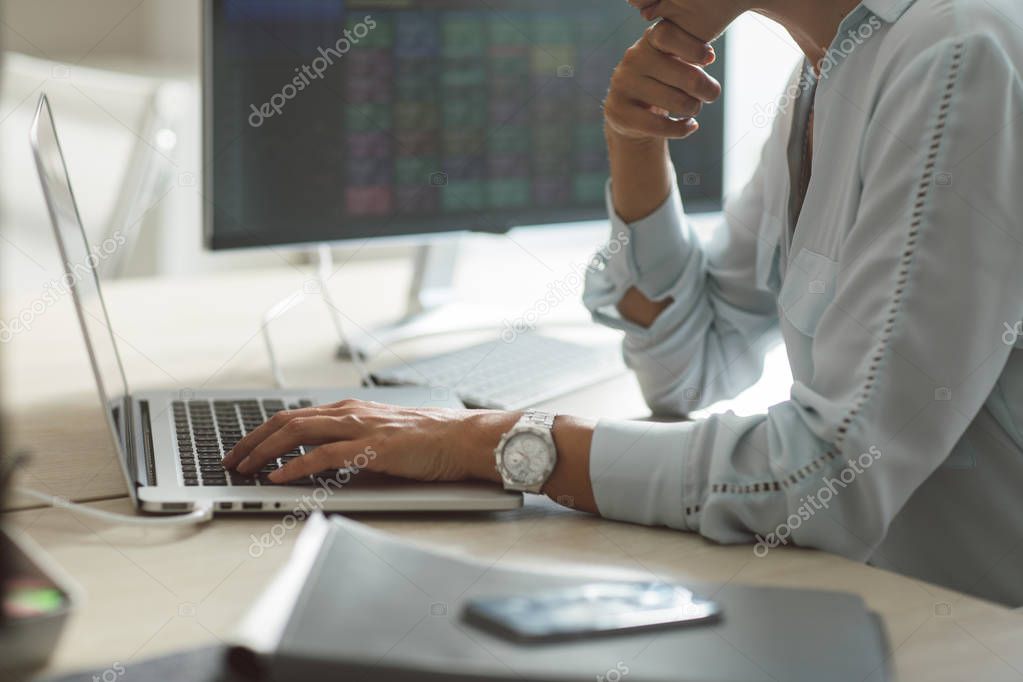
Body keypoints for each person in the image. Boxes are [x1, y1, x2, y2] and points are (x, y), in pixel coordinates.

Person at [224, 0, 1023, 606]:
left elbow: (831, 474)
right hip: (882, 599)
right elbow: (691, 372)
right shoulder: (825, 72)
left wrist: (491, 445)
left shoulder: (959, 54)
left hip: (967, 631)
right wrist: (635, 147)